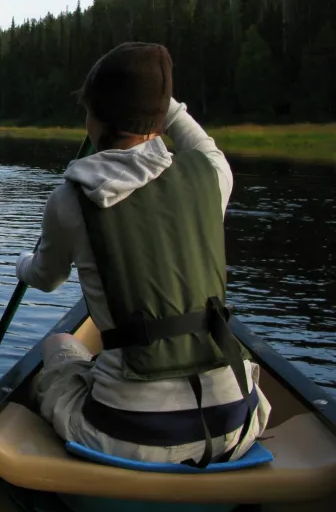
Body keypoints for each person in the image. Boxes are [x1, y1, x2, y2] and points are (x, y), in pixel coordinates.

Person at [16, 42, 270, 467]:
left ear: (94, 118)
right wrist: (158, 100)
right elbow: (193, 134)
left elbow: (46, 278)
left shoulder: (71, 200)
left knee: (61, 345)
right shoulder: (213, 173)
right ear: (160, 114)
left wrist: (21, 264)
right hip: (237, 426)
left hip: (127, 435)